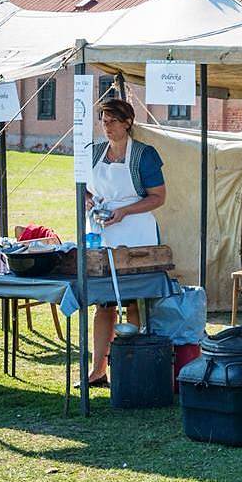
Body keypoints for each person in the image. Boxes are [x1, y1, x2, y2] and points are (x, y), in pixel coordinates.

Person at [83, 98, 166, 387]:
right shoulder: (93, 153)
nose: (106, 127)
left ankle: (131, 367)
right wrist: (92, 203)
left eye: (112, 121)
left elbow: (158, 197)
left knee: (133, 300)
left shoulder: (145, 155)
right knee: (103, 303)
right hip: (102, 232)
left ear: (127, 122)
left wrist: (125, 211)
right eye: (103, 121)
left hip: (136, 233)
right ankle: (97, 370)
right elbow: (82, 189)